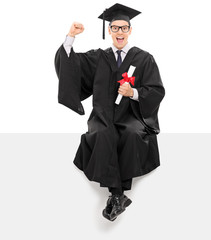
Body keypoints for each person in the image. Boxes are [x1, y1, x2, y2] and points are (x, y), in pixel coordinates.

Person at [54, 3, 165, 221]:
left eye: (124, 28)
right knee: (103, 135)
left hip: (131, 116)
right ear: (109, 31)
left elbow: (156, 90)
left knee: (132, 135)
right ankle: (118, 196)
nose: (120, 32)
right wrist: (70, 37)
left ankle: (116, 196)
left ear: (130, 30)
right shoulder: (99, 58)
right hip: (103, 116)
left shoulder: (144, 59)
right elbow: (71, 66)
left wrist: (133, 92)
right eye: (115, 28)